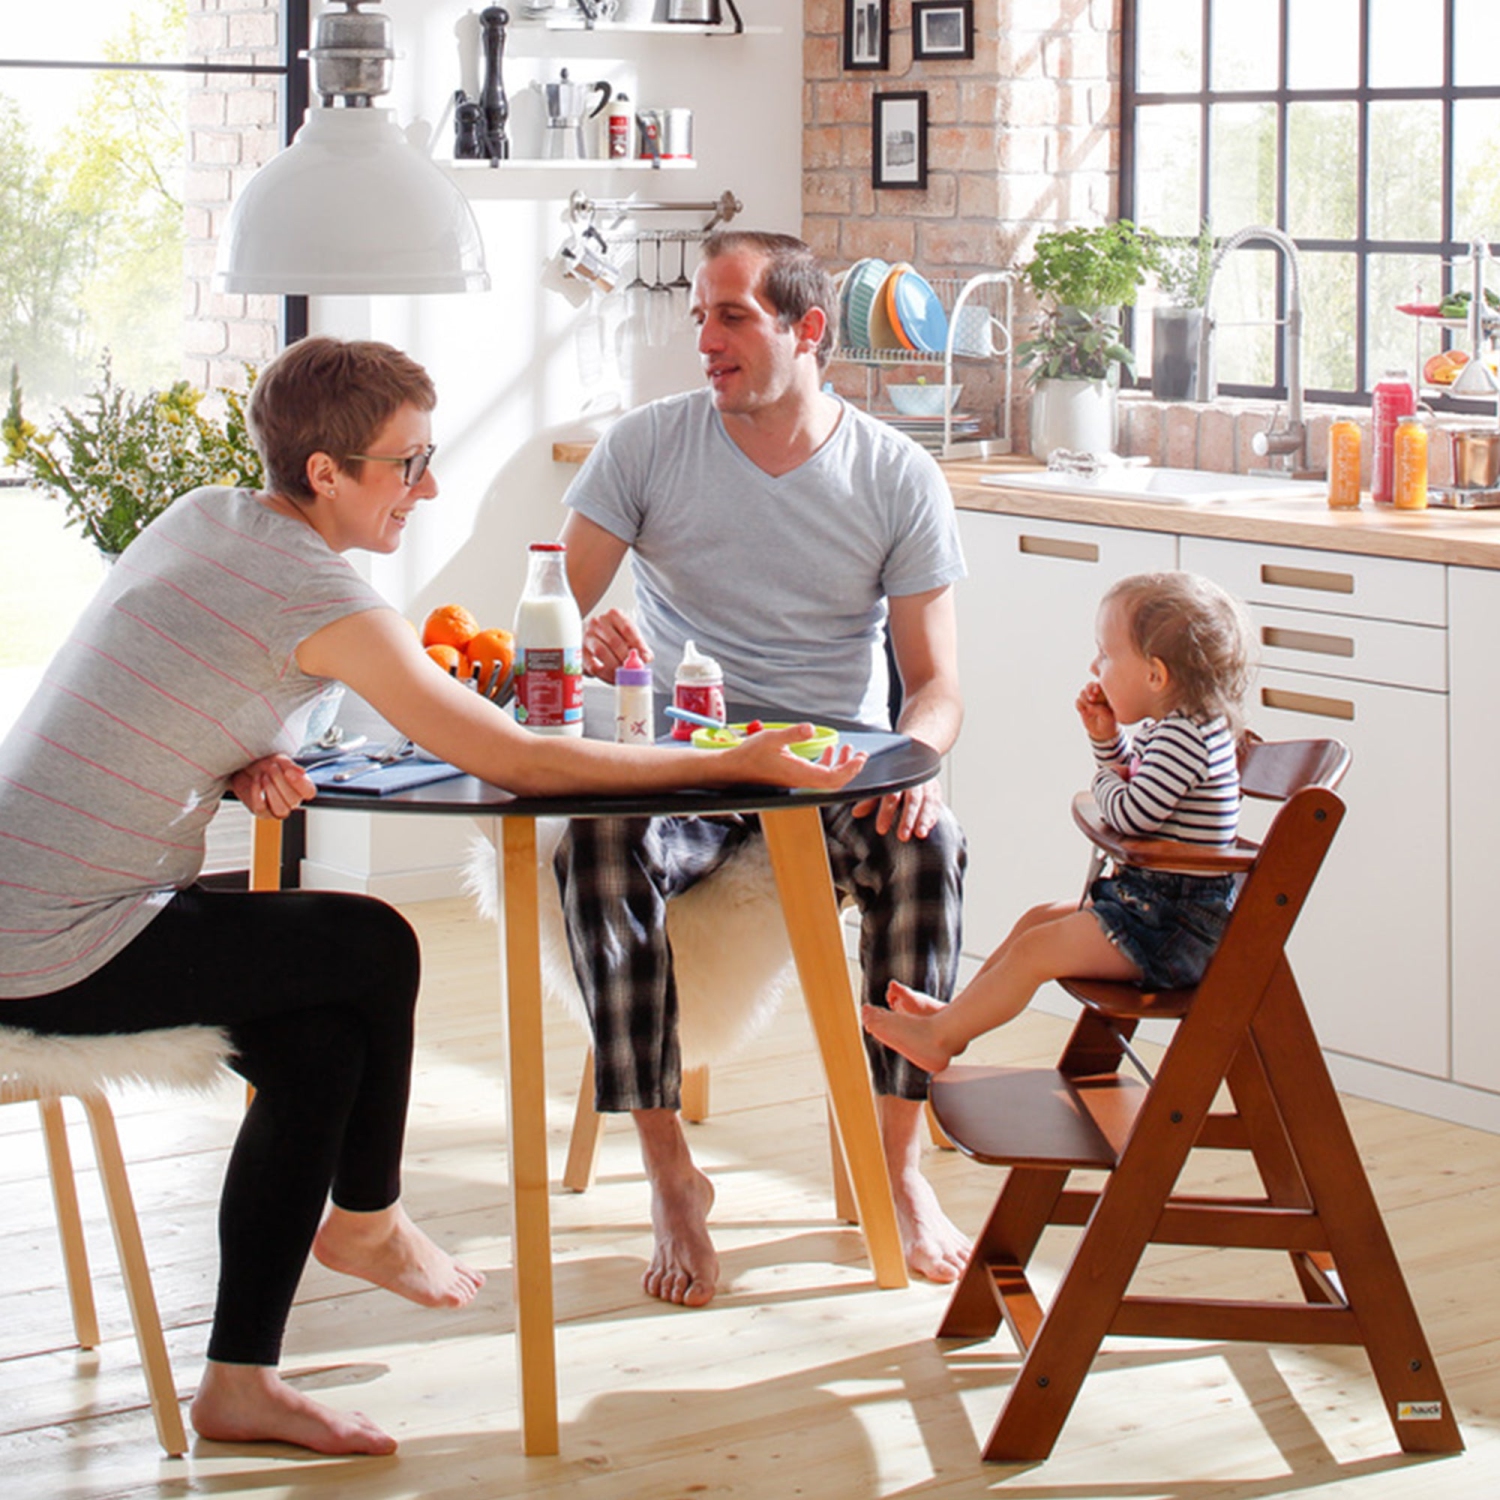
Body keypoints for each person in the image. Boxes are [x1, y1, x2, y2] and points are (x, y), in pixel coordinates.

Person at [0, 336, 867, 1458]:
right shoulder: (321, 594)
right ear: (326, 474)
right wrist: (741, 767)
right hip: (52, 943)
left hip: (30, 904)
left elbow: (168, 672)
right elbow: (523, 762)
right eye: (408, 464)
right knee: (369, 943)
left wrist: (237, 752)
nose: (431, 486)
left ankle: (240, 1383)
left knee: (318, 1043)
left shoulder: (210, 519)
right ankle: (368, 1220)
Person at [552, 229, 971, 1308]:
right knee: (595, 847)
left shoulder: (896, 474)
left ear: (807, 329)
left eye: (732, 316)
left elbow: (935, 682)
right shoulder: (646, 447)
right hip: (687, 762)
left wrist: (916, 762)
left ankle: (899, 1170)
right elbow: (547, 615)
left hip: (830, 762)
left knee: (934, 850)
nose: (706, 341)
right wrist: (584, 632)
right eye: (700, 316)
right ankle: (668, 1174)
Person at [863, 570, 1253, 1074]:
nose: (1096, 665)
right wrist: (1109, 742)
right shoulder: (1180, 728)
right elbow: (1140, 784)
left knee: (1037, 950)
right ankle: (958, 1016)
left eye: (1107, 655)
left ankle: (942, 1037)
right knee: (1039, 920)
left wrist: (1102, 778)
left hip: (1170, 930)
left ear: (1156, 676)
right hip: (1153, 909)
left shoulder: (1186, 739)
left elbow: (1131, 813)